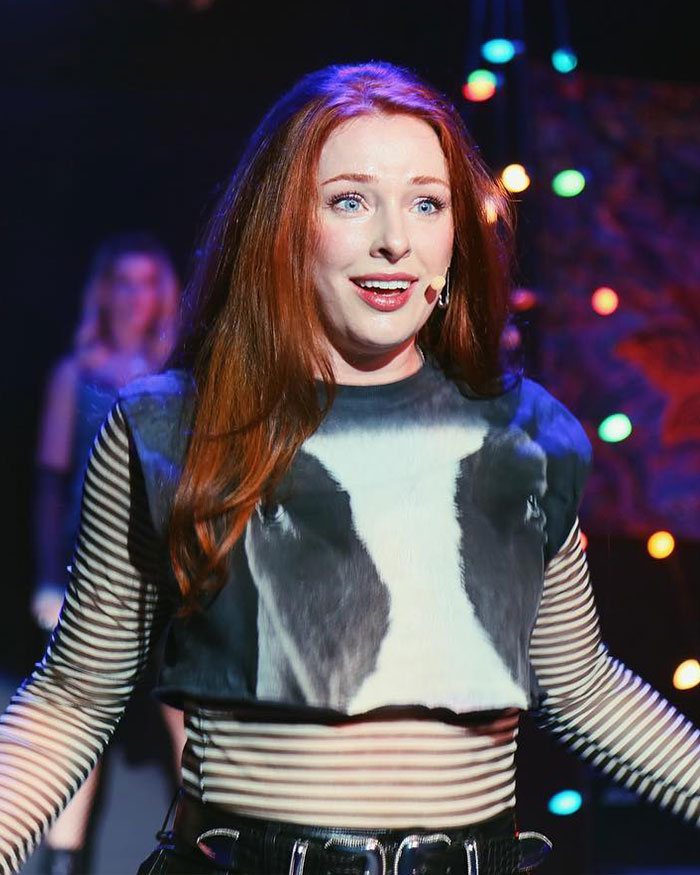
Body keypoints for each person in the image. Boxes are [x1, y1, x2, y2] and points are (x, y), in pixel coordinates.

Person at [1, 62, 698, 875]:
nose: (394, 238)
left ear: (454, 236)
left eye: (427, 202)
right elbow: (75, 696)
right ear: (284, 227)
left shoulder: (529, 435)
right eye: (351, 199)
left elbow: (584, 689)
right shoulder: (169, 427)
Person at [29, 233, 186, 874]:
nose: (135, 296)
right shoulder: (77, 373)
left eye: (148, 281)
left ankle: (208, 850)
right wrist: (45, 577)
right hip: (94, 570)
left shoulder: (179, 372)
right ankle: (61, 863)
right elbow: (50, 479)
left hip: (172, 568)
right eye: (123, 281)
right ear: (105, 291)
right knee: (82, 716)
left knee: (187, 711)